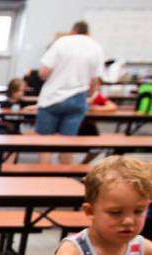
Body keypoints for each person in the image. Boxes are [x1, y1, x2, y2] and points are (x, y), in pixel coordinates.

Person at [34, 21, 104, 164]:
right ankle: (64, 177)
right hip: (78, 98)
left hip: (52, 98)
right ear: (88, 33)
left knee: (45, 141)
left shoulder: (62, 42)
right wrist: (88, 95)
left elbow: (43, 72)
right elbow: (94, 82)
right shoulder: (96, 47)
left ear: (73, 30)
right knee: (68, 142)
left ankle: (42, 175)